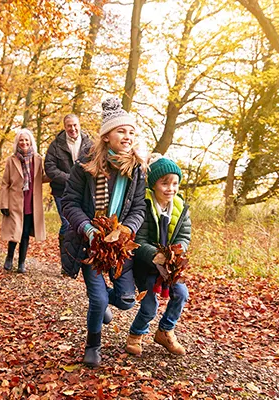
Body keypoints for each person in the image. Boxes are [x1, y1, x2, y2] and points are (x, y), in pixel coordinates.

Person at [61, 97, 147, 368]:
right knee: (97, 299)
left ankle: (103, 307)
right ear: (106, 136)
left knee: (125, 300)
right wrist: (88, 229)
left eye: (131, 132)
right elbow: (69, 202)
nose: (127, 136)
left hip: (120, 244)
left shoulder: (138, 169)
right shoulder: (85, 166)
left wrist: (127, 229)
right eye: (122, 130)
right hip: (91, 243)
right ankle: (93, 344)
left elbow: (140, 208)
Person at [125, 154, 191, 356]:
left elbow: (184, 235)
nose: (170, 188)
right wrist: (155, 255)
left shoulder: (180, 208)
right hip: (146, 263)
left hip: (169, 264)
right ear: (153, 184)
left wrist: (177, 253)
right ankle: (136, 334)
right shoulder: (144, 205)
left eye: (175, 183)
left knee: (181, 294)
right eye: (165, 183)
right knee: (149, 304)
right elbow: (139, 239)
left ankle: (165, 330)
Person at [0, 128, 47, 273]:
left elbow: (43, 177)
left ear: (31, 141)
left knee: (25, 233)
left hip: (31, 202)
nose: (24, 142)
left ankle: (21, 263)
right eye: (21, 140)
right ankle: (9, 257)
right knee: (15, 232)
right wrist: (3, 203)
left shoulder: (38, 159)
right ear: (17, 143)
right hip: (15, 201)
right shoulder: (11, 160)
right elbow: (4, 183)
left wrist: (58, 175)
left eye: (26, 140)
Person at [44, 114, 92, 251]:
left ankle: (79, 257)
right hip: (62, 191)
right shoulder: (55, 145)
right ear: (65, 127)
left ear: (79, 125)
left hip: (84, 191)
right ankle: (65, 258)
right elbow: (50, 167)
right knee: (66, 223)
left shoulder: (90, 144)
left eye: (75, 125)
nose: (73, 128)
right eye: (69, 126)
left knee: (82, 223)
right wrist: (70, 179)